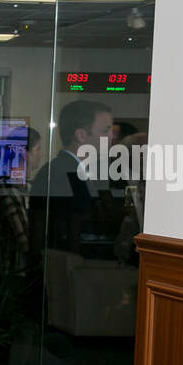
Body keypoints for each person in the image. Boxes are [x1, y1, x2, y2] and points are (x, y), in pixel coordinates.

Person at [29, 99, 113, 252]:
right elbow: (61, 232)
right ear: (81, 135)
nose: (111, 136)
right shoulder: (58, 173)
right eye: (105, 131)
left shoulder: (79, 171)